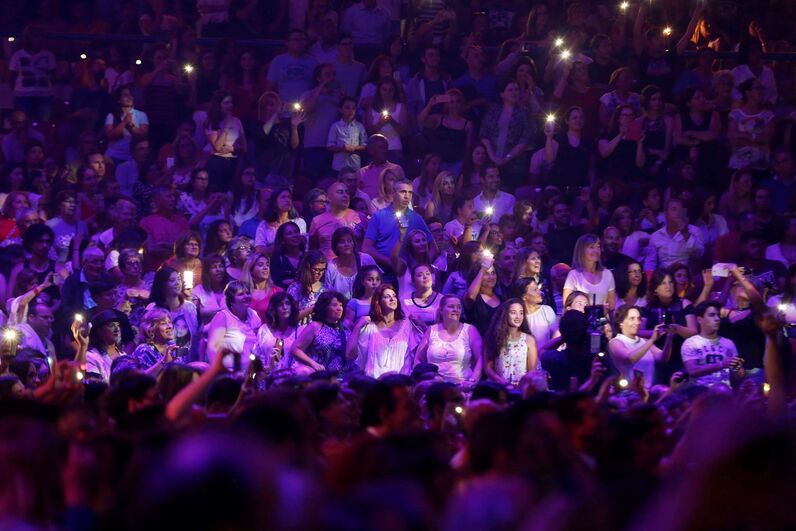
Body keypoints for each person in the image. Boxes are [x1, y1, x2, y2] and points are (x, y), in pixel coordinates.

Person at [347, 284, 415, 377]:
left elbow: (415, 356)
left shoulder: (407, 325)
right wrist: (358, 327)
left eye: (394, 296)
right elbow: (350, 354)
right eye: (387, 297)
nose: (392, 299)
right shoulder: (369, 326)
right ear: (378, 302)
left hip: (399, 383)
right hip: (374, 384)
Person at [414, 295, 483, 385]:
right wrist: (424, 380)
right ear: (441, 310)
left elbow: (481, 359)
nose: (455, 309)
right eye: (451, 306)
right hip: (435, 386)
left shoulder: (470, 330)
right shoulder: (431, 330)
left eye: (458, 307)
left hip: (462, 385)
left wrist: (472, 381)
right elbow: (418, 359)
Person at [479, 79, 533, 190]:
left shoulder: (524, 112)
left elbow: (526, 139)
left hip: (515, 165)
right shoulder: (493, 110)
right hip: (491, 161)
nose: (514, 92)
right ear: (502, 94)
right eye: (510, 90)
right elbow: (484, 133)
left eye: (516, 90)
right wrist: (493, 156)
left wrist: (506, 158)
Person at [290, 291, 355, 374]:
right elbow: (295, 349)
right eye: (335, 305)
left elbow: (352, 355)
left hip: (342, 376)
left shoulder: (346, 328)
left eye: (341, 305)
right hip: (318, 375)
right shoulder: (315, 326)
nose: (339, 308)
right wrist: (313, 364)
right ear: (325, 307)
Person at [681, 301, 743, 388]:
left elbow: (739, 375)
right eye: (712, 315)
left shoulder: (728, 343)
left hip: (725, 394)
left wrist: (738, 369)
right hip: (701, 394)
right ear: (699, 319)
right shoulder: (691, 343)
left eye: (718, 315)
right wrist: (721, 364)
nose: (717, 318)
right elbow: (692, 371)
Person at [608, 304, 673, 387]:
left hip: (648, 390)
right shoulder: (616, 342)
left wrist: (670, 336)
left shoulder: (644, 341)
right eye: (632, 319)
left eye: (639, 318)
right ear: (620, 323)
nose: (637, 322)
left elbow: (663, 357)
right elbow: (630, 358)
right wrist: (652, 339)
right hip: (627, 392)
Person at [147, 266, 200, 359]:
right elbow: (147, 340)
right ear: (162, 285)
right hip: (162, 364)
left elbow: (197, 338)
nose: (177, 283)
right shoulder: (152, 309)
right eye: (172, 280)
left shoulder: (190, 307)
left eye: (178, 279)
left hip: (190, 363)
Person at [206, 281, 262, 367]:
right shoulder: (223, 317)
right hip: (229, 372)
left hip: (251, 372)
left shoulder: (253, 314)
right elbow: (212, 350)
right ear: (231, 300)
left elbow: (258, 344)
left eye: (247, 293)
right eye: (241, 294)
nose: (246, 296)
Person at [484, 298, 537, 388]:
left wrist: (521, 386)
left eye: (521, 313)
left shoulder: (529, 339)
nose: (518, 317)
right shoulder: (494, 338)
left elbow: (532, 371)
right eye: (513, 312)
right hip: (498, 388)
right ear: (505, 315)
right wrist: (504, 383)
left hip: (520, 390)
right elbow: (488, 368)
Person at [645, 197, 705, 271]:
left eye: (680, 210)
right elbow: (650, 262)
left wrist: (686, 234)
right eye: (674, 209)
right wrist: (649, 280)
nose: (678, 213)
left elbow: (700, 253)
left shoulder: (694, 230)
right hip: (664, 276)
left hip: (686, 274)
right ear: (665, 213)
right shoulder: (656, 236)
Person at [309, 181, 364, 259]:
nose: (345, 195)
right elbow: (313, 250)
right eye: (340, 192)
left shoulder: (360, 217)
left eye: (347, 192)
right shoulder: (317, 221)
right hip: (327, 267)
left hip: (355, 266)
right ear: (328, 198)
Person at [204, 90, 247, 190]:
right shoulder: (210, 122)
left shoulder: (237, 121)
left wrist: (232, 148)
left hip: (233, 162)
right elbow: (218, 147)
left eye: (231, 102)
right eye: (226, 103)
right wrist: (227, 126)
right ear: (219, 105)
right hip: (216, 163)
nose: (230, 105)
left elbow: (245, 148)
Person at [563, 233, 616, 309]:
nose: (596, 250)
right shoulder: (573, 275)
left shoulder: (608, 274)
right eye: (591, 247)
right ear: (581, 251)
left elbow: (611, 306)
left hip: (602, 320)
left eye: (598, 247)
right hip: (580, 319)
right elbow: (567, 305)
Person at [323, 227, 378, 299]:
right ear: (336, 246)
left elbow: (378, 282)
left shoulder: (366, 260)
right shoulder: (330, 267)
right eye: (342, 242)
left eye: (349, 241)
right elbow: (327, 295)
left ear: (353, 243)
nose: (346, 244)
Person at [266, 29, 317, 104]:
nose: (300, 42)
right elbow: (270, 87)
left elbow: (317, 86)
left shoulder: (313, 62)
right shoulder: (278, 61)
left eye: (302, 39)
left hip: (307, 109)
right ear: (287, 43)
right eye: (296, 39)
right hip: (283, 108)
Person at [255, 292, 302, 374]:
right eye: (280, 305)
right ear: (274, 309)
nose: (285, 307)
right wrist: (269, 366)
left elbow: (302, 361)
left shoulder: (300, 331)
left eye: (287, 304)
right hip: (267, 377)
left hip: (292, 379)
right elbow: (257, 357)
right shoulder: (264, 330)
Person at [104, 85, 149, 164]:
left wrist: (130, 124)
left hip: (133, 158)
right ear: (118, 100)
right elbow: (110, 136)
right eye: (125, 95)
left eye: (130, 94)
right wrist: (124, 122)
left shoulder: (141, 115)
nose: (129, 97)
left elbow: (143, 136)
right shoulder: (111, 115)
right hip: (113, 157)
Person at [254, 187, 307, 254]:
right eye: (283, 197)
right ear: (275, 202)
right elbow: (259, 250)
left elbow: (301, 245)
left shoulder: (299, 222)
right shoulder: (264, 225)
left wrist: (272, 247)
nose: (287, 200)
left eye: (289, 197)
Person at [463, 250, 501, 336]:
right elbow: (470, 296)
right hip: (479, 342)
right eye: (486, 274)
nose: (491, 277)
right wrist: (483, 269)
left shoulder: (501, 297)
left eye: (493, 273)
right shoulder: (474, 297)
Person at [130, 308, 179, 373]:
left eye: (170, 322)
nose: (169, 326)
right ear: (151, 330)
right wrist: (163, 362)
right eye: (163, 323)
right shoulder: (144, 350)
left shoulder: (172, 347)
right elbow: (142, 378)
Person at [327, 96, 368, 172]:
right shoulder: (335, 126)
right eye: (347, 108)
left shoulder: (359, 126)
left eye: (353, 108)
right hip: (339, 166)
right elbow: (330, 146)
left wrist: (354, 148)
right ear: (340, 110)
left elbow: (365, 145)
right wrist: (342, 148)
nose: (351, 111)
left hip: (354, 165)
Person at [286, 250, 328, 324]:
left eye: (322, 270)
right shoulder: (295, 288)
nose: (319, 273)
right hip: (298, 330)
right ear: (307, 268)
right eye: (316, 269)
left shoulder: (326, 289)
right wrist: (313, 308)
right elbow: (290, 316)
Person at [85, 310, 126, 382]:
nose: (117, 329)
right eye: (111, 326)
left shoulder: (124, 355)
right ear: (99, 331)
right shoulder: (91, 356)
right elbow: (96, 385)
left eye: (118, 325)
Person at [191, 253, 228, 324]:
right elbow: (192, 316)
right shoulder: (198, 291)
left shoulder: (231, 288)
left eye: (221, 266)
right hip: (207, 332)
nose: (218, 270)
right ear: (207, 271)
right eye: (214, 267)